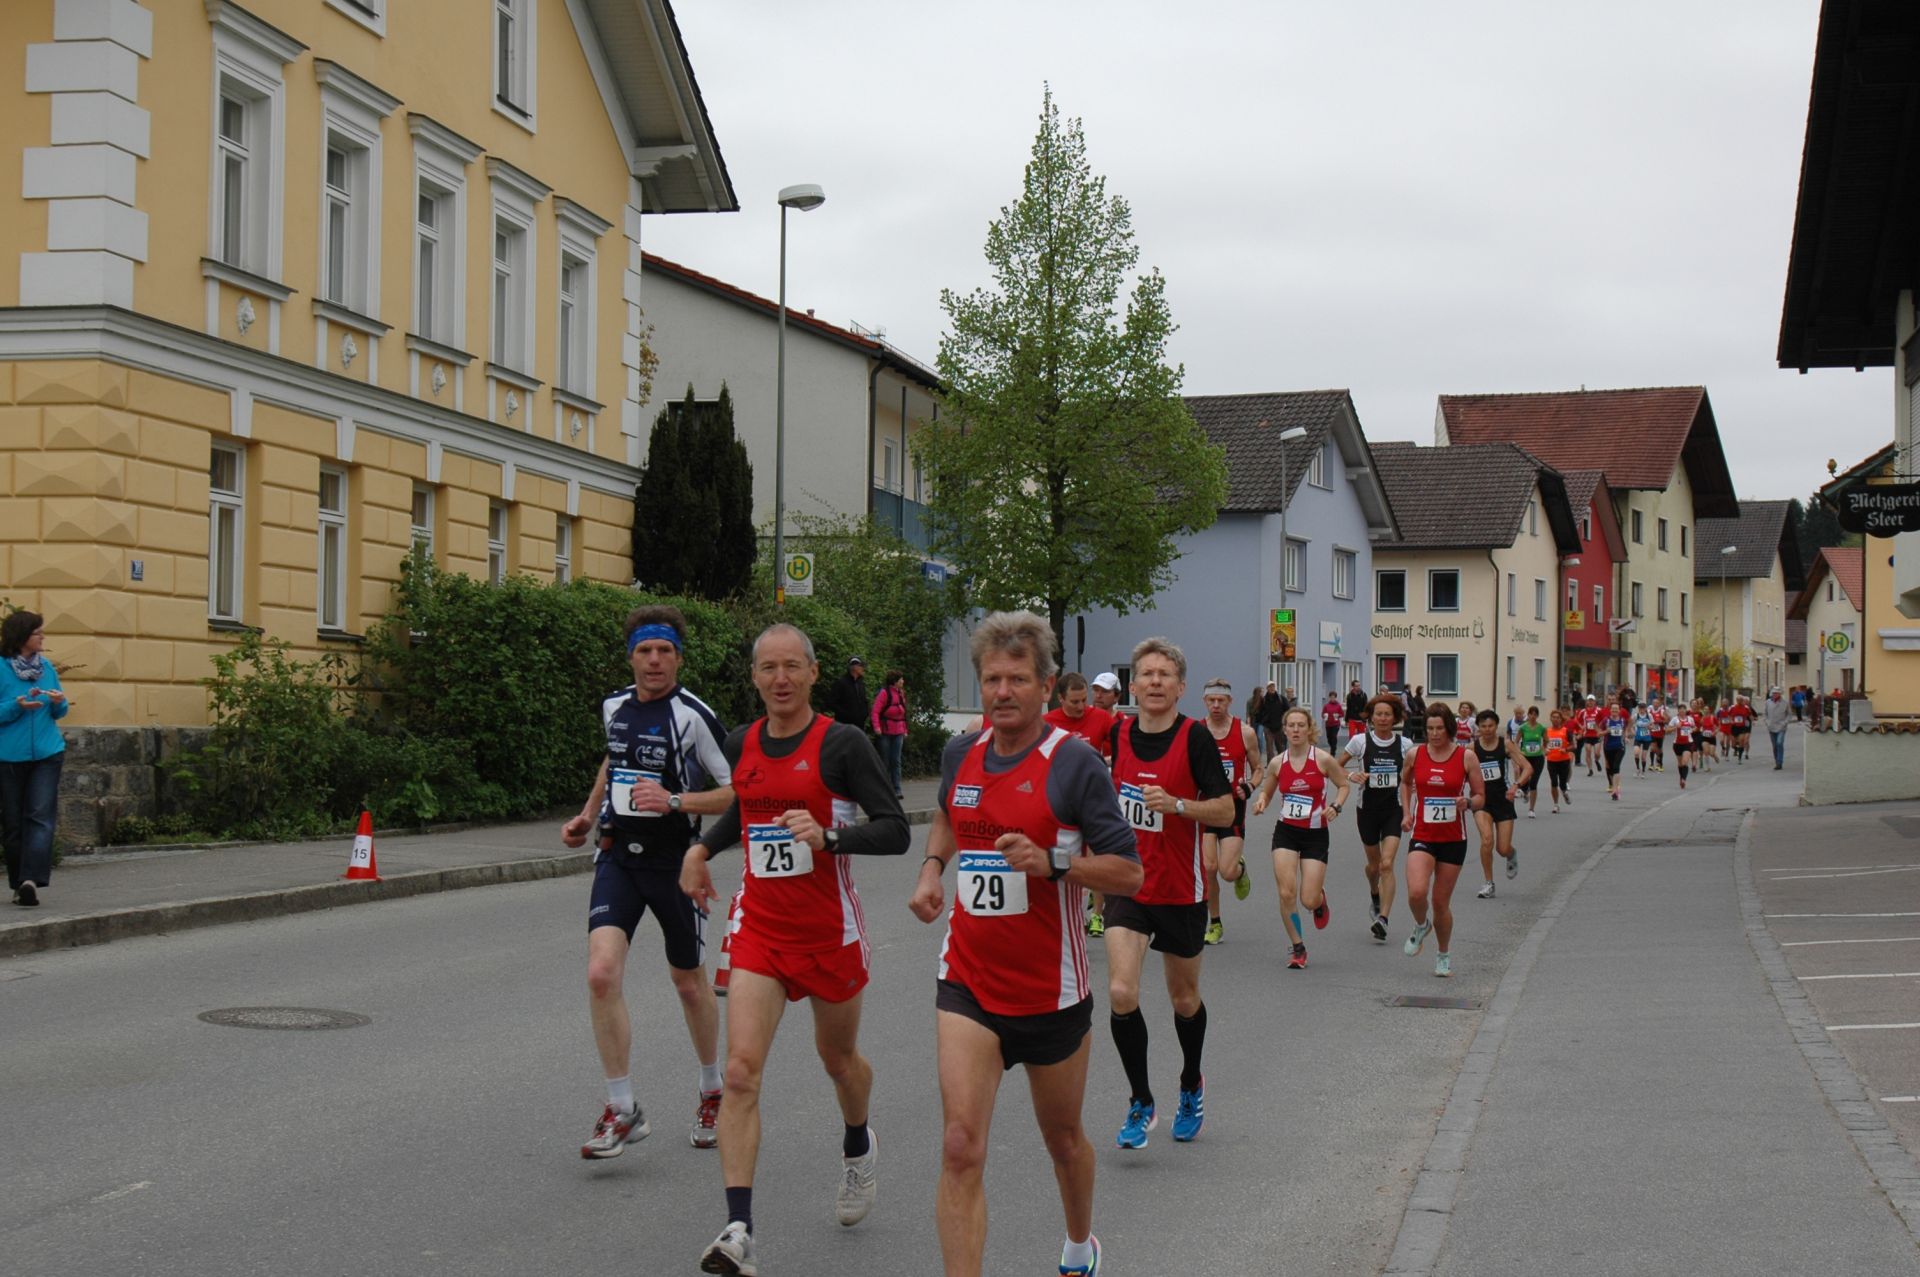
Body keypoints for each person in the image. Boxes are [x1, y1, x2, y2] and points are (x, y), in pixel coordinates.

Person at [910, 611, 1142, 1277]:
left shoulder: (1075, 764)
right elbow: (951, 814)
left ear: (1045, 687)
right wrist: (932, 869)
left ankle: (1079, 1244)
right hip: (968, 980)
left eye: (1017, 679)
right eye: (991, 679)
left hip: (1051, 990)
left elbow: (1128, 872)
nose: (1002, 691)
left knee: (1063, 1140)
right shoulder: (961, 753)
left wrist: (1053, 863)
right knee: (960, 1145)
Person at [680, 624, 910, 1275]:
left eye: (791, 667)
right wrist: (701, 848)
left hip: (830, 933)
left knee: (838, 1061)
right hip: (761, 931)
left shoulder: (843, 743)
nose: (780, 678)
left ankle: (858, 1143)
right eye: (768, 668)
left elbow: (895, 830)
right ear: (755, 677)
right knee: (741, 1071)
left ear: (812, 673)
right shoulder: (742, 742)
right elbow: (747, 808)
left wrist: (830, 837)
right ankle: (739, 1229)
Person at [558, 606, 733, 1159]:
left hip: (675, 863)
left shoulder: (693, 716)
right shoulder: (614, 706)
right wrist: (588, 815)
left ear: (678, 658)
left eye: (664, 651)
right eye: (644, 651)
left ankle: (713, 1091)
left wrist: (676, 801)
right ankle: (622, 1108)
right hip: (618, 858)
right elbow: (613, 761)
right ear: (631, 657)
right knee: (601, 973)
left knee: (688, 983)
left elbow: (739, 791)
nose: (654, 661)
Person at [1105, 638, 1234, 1149]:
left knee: (1183, 1000)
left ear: (1181, 687)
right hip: (1129, 885)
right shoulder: (1118, 734)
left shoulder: (1195, 738)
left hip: (1181, 888)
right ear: (1133, 686)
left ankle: (1190, 1083)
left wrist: (1178, 805)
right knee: (1121, 992)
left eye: (1165, 674)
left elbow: (1225, 810)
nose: (1155, 681)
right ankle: (1141, 1101)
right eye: (1146, 673)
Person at [1251, 706, 1351, 969]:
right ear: (1284, 730)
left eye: (1300, 725)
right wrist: (1261, 801)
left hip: (1315, 835)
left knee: (1308, 899)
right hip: (1286, 832)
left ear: (1309, 730)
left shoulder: (1322, 759)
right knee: (1286, 893)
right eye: (1291, 725)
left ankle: (1319, 900)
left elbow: (1343, 785)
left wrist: (1336, 806)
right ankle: (1298, 947)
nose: (1295, 730)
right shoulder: (1277, 762)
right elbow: (1267, 791)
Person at [1399, 704, 1486, 978]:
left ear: (1449, 728)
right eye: (1430, 729)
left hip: (1453, 839)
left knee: (1439, 902)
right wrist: (1406, 813)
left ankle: (1443, 954)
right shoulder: (1415, 754)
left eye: (1439, 728)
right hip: (1423, 834)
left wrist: (1468, 802)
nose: (1435, 734)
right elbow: (1405, 783)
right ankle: (1421, 925)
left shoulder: (1466, 757)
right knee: (1416, 892)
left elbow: (1481, 796)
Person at [1, 610, 69, 908]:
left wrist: (58, 702)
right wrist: (16, 706)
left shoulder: (46, 667)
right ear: (21, 637)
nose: (42, 637)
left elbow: (60, 711)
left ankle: (31, 881)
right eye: (37, 632)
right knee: (13, 824)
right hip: (8, 756)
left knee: (40, 818)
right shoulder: (1, 668)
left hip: (47, 753)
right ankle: (19, 884)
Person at [1199, 678, 1264, 946]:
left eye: (1221, 700)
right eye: (1211, 700)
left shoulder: (1245, 732)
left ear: (1230, 702)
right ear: (1205, 701)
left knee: (1226, 871)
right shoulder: (1196, 731)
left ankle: (1239, 869)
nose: (1216, 705)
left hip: (1232, 808)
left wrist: (1250, 786)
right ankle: (1215, 923)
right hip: (1204, 808)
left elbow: (1258, 769)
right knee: (1209, 868)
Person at [1343, 694, 1409, 940]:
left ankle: (1383, 919)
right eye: (1378, 714)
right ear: (1371, 717)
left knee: (1387, 864)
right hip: (1367, 811)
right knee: (1374, 867)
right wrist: (1352, 776)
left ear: (1395, 718)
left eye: (1387, 714)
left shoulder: (1405, 744)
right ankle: (1374, 892)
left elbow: (1415, 772)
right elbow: (1335, 766)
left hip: (1393, 810)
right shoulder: (1359, 741)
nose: (1382, 718)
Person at [1470, 709, 1532, 899]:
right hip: (1481, 800)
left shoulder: (1505, 745)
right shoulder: (1472, 749)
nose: (1487, 730)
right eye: (1483, 726)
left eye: (1491, 726)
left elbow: (1527, 768)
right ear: (1478, 728)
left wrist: (1516, 785)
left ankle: (1511, 854)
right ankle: (1488, 883)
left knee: (1502, 848)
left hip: (1503, 799)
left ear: (1496, 726)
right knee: (1487, 839)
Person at [1046, 672, 1116, 759]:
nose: (1081, 707)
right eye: (1075, 702)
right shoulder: (1046, 723)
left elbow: (1124, 747)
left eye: (1084, 700)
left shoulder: (1101, 717)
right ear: (1061, 698)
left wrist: (1102, 761)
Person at [870, 669, 910, 799]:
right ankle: (882, 789)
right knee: (884, 761)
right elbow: (875, 711)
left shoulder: (901, 693)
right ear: (895, 681)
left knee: (896, 761)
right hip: (885, 732)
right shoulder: (884, 693)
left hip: (898, 732)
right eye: (901, 679)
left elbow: (903, 714)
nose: (903, 681)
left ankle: (897, 789)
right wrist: (877, 727)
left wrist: (905, 730)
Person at [826, 656, 871, 733]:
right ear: (854, 667)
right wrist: (846, 714)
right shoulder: (841, 683)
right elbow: (831, 702)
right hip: (844, 725)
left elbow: (864, 700)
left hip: (859, 725)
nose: (863, 668)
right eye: (861, 666)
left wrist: (865, 713)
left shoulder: (860, 683)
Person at [1517, 706, 1547, 818]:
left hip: (1538, 758)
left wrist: (1543, 749)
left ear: (1537, 716)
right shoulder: (1523, 728)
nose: (1533, 716)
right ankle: (1525, 791)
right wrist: (1519, 752)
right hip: (1525, 757)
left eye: (1535, 714)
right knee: (1524, 781)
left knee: (1534, 782)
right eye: (1531, 714)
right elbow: (1516, 741)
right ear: (1528, 715)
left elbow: (1546, 740)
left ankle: (1531, 809)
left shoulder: (1541, 728)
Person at [1544, 710, 1574, 813]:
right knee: (1553, 783)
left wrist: (1566, 749)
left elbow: (1573, 745)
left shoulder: (1566, 731)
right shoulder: (1547, 731)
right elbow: (1544, 744)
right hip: (1551, 760)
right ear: (1550, 718)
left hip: (1564, 761)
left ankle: (1564, 792)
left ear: (1561, 719)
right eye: (1553, 717)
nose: (1555, 719)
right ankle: (1556, 804)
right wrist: (1545, 750)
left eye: (1557, 717)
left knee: (1562, 784)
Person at [1600, 691, 1628, 801]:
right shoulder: (1606, 720)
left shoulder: (1622, 720)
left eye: (1616, 709)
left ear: (1619, 710)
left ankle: (1615, 791)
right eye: (1613, 709)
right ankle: (1614, 785)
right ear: (1610, 710)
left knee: (1616, 767)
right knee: (1611, 768)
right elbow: (1598, 732)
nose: (1614, 711)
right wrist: (1606, 731)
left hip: (1620, 746)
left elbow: (1627, 731)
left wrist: (1626, 737)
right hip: (1608, 747)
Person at [1672, 699, 1699, 789]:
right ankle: (1681, 777)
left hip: (1688, 743)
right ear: (1678, 711)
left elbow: (1695, 727)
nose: (1682, 711)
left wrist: (1693, 729)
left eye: (1684, 709)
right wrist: (1676, 727)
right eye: (1680, 710)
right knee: (1680, 764)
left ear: (1685, 711)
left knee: (1685, 762)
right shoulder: (1675, 719)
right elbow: (1667, 730)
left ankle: (1684, 780)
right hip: (1677, 744)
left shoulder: (1690, 719)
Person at [1764, 687, 1791, 769]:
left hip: (1781, 727)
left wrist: (1785, 722)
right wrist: (1767, 722)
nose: (1774, 694)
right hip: (1771, 726)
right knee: (1775, 745)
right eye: (1773, 693)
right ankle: (1777, 761)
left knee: (1779, 743)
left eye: (1776, 693)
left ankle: (1780, 762)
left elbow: (1789, 714)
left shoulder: (1785, 703)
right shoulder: (1768, 702)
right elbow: (1765, 714)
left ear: (1780, 694)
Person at [1259, 682, 1288, 757]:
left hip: (1279, 727)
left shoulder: (1281, 698)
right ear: (1267, 688)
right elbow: (1259, 712)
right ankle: (1271, 763)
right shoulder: (1264, 700)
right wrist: (1263, 721)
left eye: (1273, 686)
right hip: (1268, 728)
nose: (1272, 688)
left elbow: (1288, 710)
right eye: (1270, 687)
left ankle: (1281, 762)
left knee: (1280, 748)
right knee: (1269, 749)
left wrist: (1284, 722)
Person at [1577, 694, 1603, 776]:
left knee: (1597, 753)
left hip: (1597, 735)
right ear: (1587, 702)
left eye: (1592, 701)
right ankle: (1590, 770)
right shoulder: (1583, 712)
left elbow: (1604, 720)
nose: (1590, 702)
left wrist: (1601, 729)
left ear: (1595, 702)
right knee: (1588, 751)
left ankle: (1596, 760)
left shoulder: (1599, 710)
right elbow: (1577, 720)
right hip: (1587, 735)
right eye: (1589, 700)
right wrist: (1581, 727)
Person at [1632, 701, 1654, 776]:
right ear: (1638, 709)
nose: (1641, 710)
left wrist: (1650, 727)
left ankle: (1643, 771)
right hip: (1638, 737)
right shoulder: (1636, 716)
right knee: (1636, 753)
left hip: (1646, 738)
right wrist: (1633, 732)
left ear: (1645, 709)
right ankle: (1638, 769)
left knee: (1643, 757)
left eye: (1643, 708)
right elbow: (1630, 724)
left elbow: (1653, 726)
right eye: (1640, 708)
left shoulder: (1649, 716)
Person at [1344, 680, 1368, 745]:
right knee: (1351, 736)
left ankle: (1361, 748)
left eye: (1359, 685)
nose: (1358, 687)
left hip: (1361, 719)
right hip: (1352, 719)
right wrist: (1346, 720)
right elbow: (1348, 708)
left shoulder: (1363, 695)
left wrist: (1365, 718)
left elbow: (1366, 708)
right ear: (1353, 687)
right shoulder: (1349, 696)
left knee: (1362, 737)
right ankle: (1352, 749)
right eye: (1356, 686)